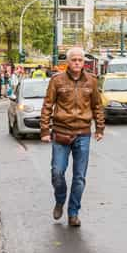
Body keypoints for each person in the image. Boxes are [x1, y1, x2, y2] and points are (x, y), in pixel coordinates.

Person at [40, 47, 105, 227]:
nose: (77, 62)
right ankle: (60, 199)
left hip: (83, 133)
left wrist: (100, 128)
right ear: (67, 62)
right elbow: (47, 106)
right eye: (74, 59)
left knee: (79, 178)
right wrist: (45, 131)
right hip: (61, 132)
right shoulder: (57, 80)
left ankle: (73, 213)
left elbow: (97, 106)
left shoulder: (91, 81)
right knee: (57, 173)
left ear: (84, 62)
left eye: (80, 60)